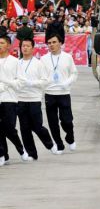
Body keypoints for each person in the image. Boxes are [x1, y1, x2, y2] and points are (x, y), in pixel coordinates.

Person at [16, 38, 62, 159]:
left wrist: (31, 83)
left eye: (27, 46)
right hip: (20, 99)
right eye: (23, 46)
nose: (25, 48)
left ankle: (50, 145)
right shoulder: (18, 63)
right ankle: (32, 154)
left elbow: (45, 81)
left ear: (33, 48)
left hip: (34, 99)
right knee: (24, 128)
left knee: (37, 126)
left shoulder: (38, 63)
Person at [40, 34, 78, 152]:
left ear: (60, 43)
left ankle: (70, 137)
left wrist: (67, 83)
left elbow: (74, 73)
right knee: (52, 122)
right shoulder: (43, 59)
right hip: (49, 93)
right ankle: (59, 144)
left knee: (67, 120)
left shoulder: (67, 57)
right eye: (49, 43)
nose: (51, 45)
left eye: (54, 42)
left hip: (64, 93)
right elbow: (41, 76)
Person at [0, 35, 30, 166]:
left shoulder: (15, 62)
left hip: (10, 99)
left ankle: (21, 150)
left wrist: (7, 83)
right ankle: (2, 155)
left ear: (8, 45)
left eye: (1, 43)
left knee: (9, 128)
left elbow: (21, 82)